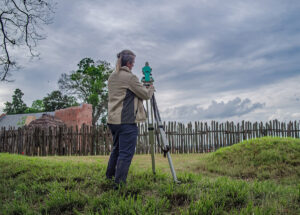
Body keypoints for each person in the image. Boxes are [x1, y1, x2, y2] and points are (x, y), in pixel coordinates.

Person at [105, 49, 155, 186]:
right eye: (133, 63)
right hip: (126, 121)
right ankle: (119, 185)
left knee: (116, 149)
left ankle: (109, 176)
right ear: (129, 63)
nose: (133, 65)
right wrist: (151, 88)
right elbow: (144, 95)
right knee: (126, 153)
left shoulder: (112, 76)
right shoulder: (130, 78)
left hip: (112, 120)